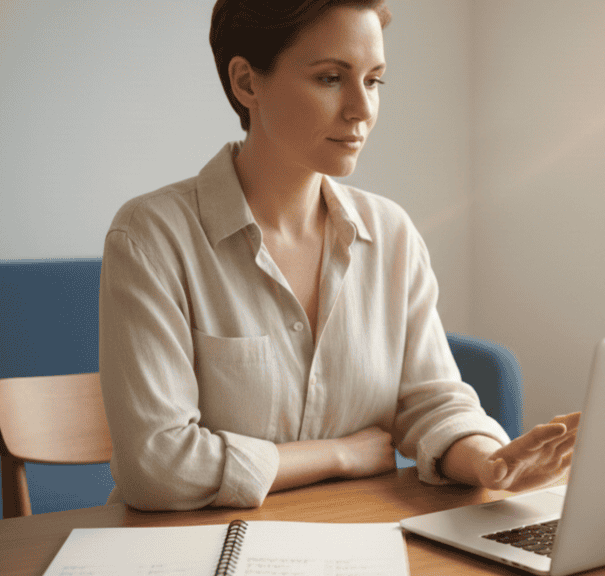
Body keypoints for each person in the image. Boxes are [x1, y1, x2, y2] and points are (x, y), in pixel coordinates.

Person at [98, 0, 578, 511]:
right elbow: (156, 467)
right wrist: (339, 455)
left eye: (374, 81)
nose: (362, 108)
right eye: (331, 78)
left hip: (356, 539)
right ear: (246, 83)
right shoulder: (150, 237)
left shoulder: (390, 232)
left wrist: (490, 461)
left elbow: (432, 402)